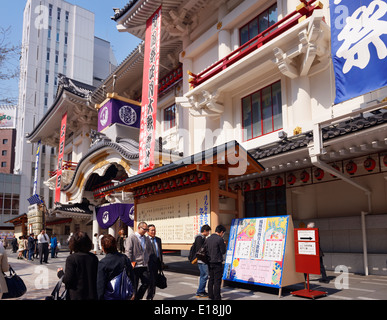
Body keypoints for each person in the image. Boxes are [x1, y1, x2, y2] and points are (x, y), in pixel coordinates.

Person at [57, 231, 99, 300]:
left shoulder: (72, 258)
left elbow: (67, 279)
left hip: (76, 295)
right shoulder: (94, 257)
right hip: (92, 295)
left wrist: (60, 273)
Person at [97, 234, 135, 300]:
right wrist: (133, 291)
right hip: (124, 295)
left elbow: (100, 285)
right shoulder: (124, 258)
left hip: (109, 296)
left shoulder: (103, 263)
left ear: (103, 248)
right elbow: (131, 276)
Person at [125, 221, 152, 300]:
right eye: (145, 229)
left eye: (147, 229)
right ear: (139, 228)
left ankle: (137, 298)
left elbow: (149, 249)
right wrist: (129, 263)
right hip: (134, 265)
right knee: (134, 286)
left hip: (143, 265)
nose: (146, 231)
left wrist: (147, 257)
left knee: (147, 282)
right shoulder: (132, 237)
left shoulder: (145, 238)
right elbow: (128, 251)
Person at [204, 225, 227, 300]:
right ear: (221, 232)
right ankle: (217, 297)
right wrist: (224, 244)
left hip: (209, 261)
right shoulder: (219, 239)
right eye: (223, 233)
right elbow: (223, 251)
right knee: (217, 280)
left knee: (211, 279)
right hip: (217, 262)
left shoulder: (208, 239)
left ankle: (210, 295)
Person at [146, 224, 164, 300]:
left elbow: (160, 252)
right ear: (147, 231)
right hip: (148, 264)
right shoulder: (145, 240)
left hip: (157, 264)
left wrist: (161, 263)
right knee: (150, 282)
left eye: (154, 230)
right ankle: (149, 297)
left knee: (154, 282)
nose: (153, 232)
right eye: (152, 230)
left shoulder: (158, 240)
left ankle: (151, 296)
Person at [194, 224, 211, 298]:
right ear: (204, 231)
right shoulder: (200, 238)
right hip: (202, 260)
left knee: (203, 276)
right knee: (204, 276)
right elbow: (200, 251)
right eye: (208, 231)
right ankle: (200, 291)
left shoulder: (202, 237)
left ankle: (201, 290)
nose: (209, 233)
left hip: (202, 260)